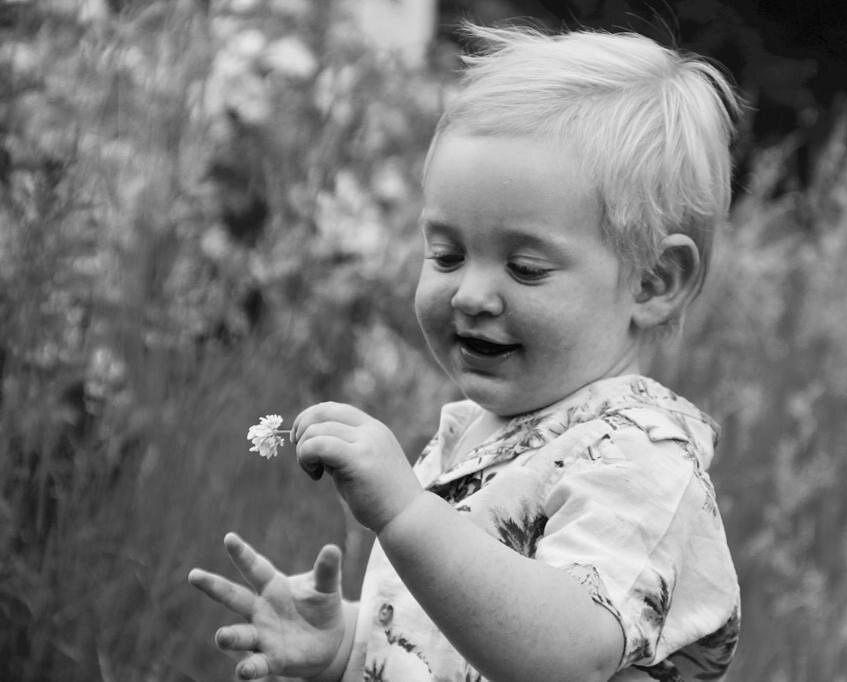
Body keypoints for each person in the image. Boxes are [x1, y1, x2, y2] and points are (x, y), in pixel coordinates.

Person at [188, 22, 742, 682]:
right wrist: (349, 645)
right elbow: (452, 642)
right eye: (446, 254)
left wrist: (406, 514)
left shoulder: (640, 460)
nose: (471, 294)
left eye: (526, 267)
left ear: (653, 281)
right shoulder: (486, 437)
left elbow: (566, 654)